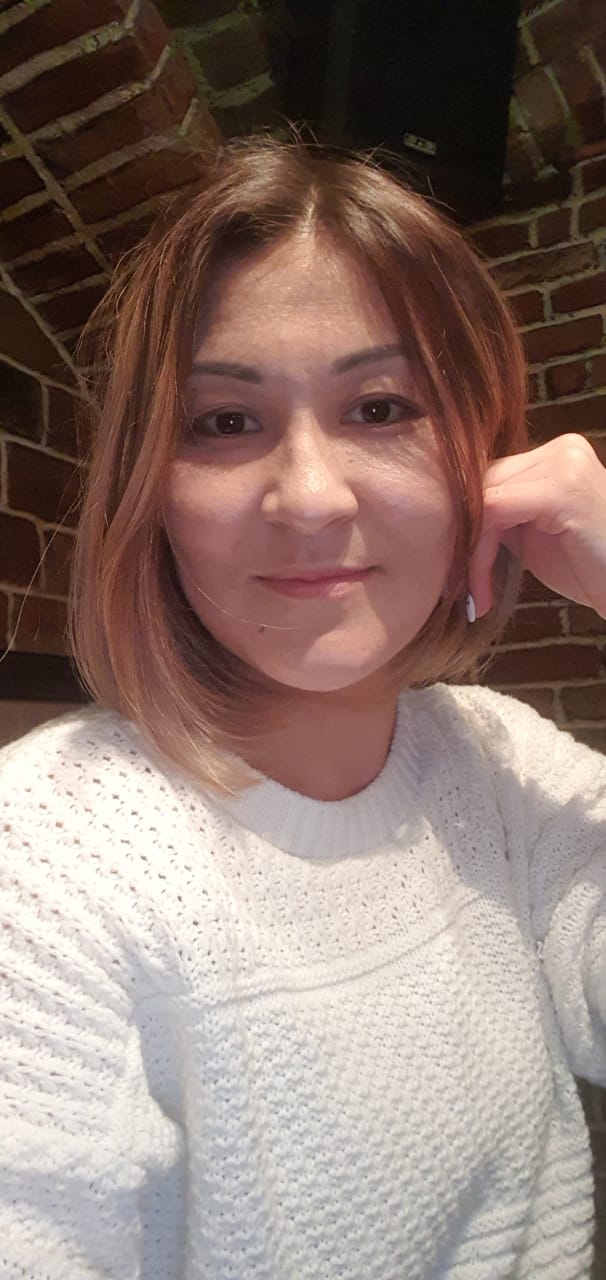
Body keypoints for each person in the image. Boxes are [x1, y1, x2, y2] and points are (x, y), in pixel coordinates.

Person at [1, 133, 605, 1280]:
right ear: (149, 489)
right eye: (225, 422)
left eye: (381, 406)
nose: (311, 496)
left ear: (481, 461)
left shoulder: (503, 766)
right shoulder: (39, 852)